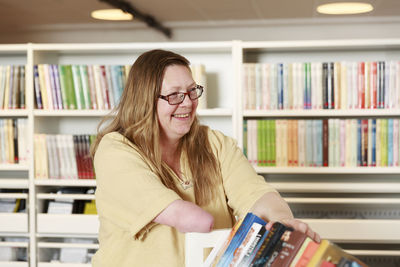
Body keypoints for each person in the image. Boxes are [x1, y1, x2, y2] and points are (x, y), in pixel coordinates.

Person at [90, 49, 320, 267]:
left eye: (192, 91)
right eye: (174, 95)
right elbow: (194, 221)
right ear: (144, 101)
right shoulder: (115, 149)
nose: (188, 102)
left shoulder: (214, 143)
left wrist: (283, 223)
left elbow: (257, 194)